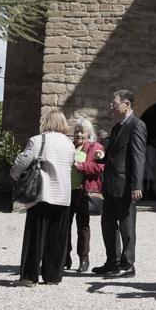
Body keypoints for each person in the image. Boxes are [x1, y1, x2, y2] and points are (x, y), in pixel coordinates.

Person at [10, 109, 76, 286]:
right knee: (56, 238)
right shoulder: (69, 144)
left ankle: (29, 276)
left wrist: (15, 175)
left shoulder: (38, 140)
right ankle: (52, 276)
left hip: (43, 194)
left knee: (35, 236)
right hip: (63, 195)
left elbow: (22, 161)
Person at [92, 89, 147, 278]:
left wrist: (137, 185)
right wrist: (102, 156)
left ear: (127, 105)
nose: (111, 107)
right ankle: (112, 262)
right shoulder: (116, 127)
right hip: (111, 184)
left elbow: (138, 157)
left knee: (126, 226)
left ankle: (127, 265)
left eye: (114, 104)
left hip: (125, 186)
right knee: (107, 224)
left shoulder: (137, 125)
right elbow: (113, 155)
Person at [66, 117, 104, 273]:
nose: (79, 134)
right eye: (77, 131)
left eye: (82, 131)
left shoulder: (95, 147)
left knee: (82, 227)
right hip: (66, 192)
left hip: (83, 192)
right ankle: (64, 257)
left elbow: (99, 167)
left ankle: (83, 259)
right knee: (64, 226)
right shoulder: (69, 146)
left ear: (89, 133)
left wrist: (81, 166)